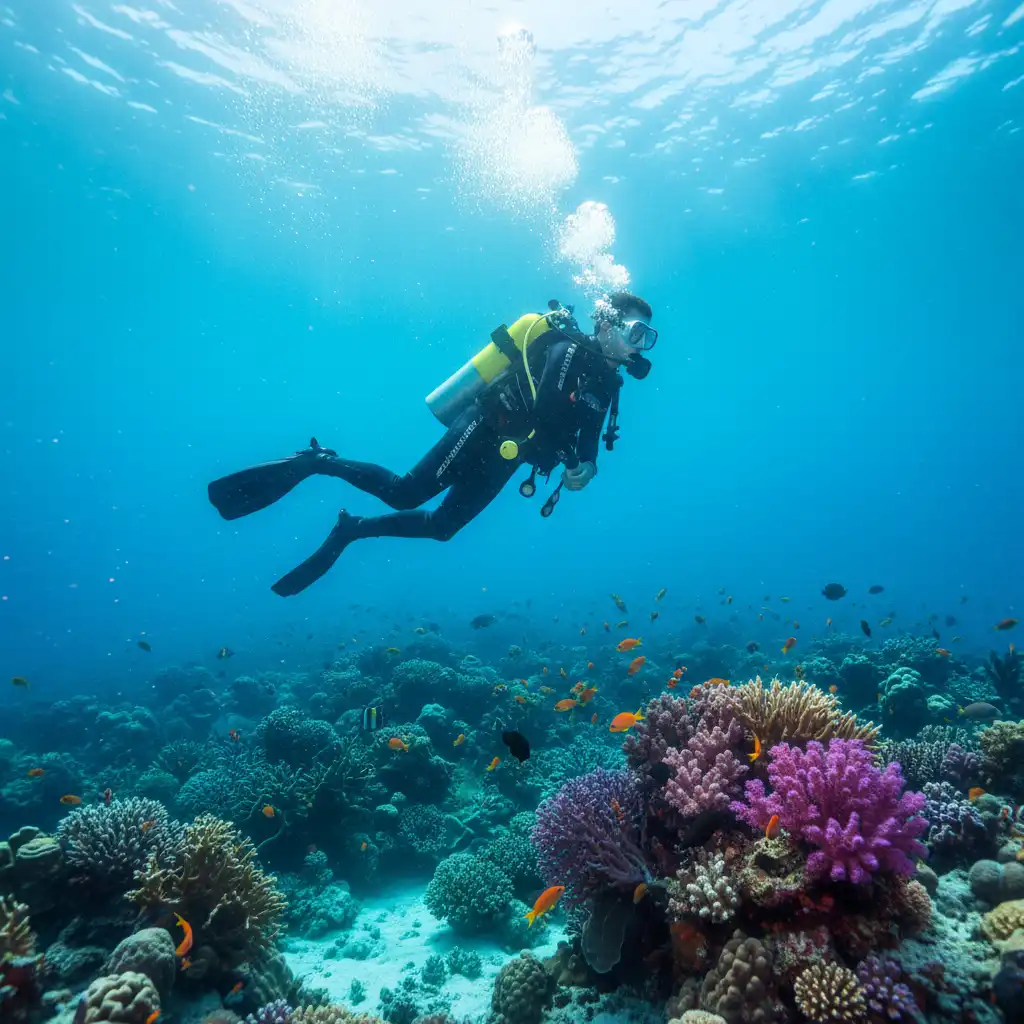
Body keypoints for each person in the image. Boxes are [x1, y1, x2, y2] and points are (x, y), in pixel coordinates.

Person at [208, 291, 656, 595]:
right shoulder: (570, 352)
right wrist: (568, 458)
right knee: (404, 493)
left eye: (648, 339)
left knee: (443, 528)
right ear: (606, 323)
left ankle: (352, 529)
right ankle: (318, 461)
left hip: (508, 457)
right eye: (637, 333)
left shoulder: (608, 382)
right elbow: (546, 413)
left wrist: (587, 466)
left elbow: (589, 439)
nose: (642, 347)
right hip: (484, 429)